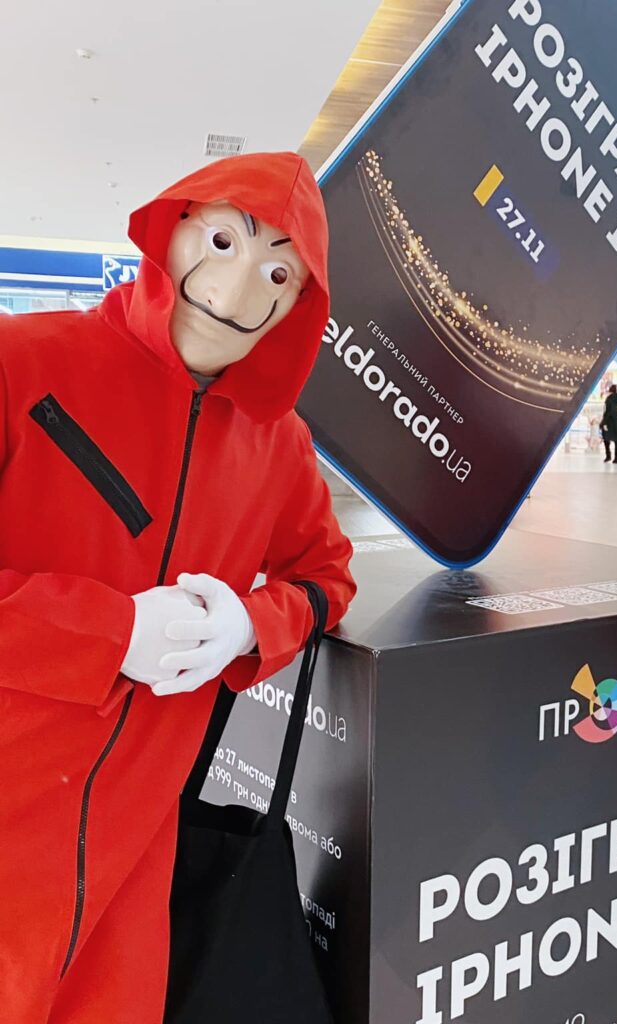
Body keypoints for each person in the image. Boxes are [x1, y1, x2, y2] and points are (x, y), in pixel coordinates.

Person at [0, 151, 356, 1024]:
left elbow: (324, 578)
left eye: (278, 272)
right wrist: (109, 632)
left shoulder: (279, 444)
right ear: (175, 229)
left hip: (131, 877)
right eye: (225, 241)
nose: (236, 290)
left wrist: (249, 625)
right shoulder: (21, 363)